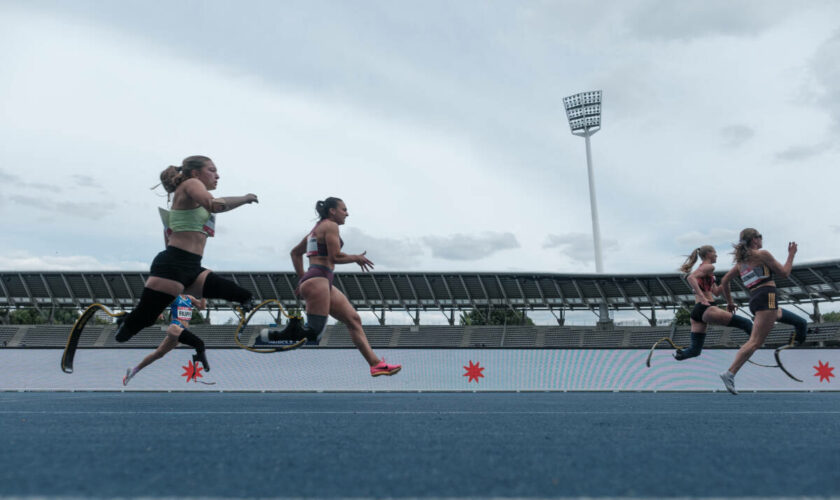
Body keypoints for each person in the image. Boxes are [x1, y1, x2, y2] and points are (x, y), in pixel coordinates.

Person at [114, 155, 259, 373]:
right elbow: (214, 204)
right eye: (212, 170)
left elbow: (171, 231)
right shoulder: (191, 185)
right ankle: (127, 320)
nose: (217, 175)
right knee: (133, 329)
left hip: (192, 267)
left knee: (243, 295)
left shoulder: (190, 195)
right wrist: (246, 198)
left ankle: (134, 317)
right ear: (195, 173)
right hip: (174, 264)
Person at [264, 197, 401, 377]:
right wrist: (356, 258)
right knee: (313, 333)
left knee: (353, 319)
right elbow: (335, 257)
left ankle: (375, 364)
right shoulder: (330, 226)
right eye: (344, 209)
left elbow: (295, 253)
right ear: (332, 211)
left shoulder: (316, 230)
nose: (347, 213)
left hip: (320, 280)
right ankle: (269, 336)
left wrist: (303, 278)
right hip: (319, 279)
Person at [718, 228, 808, 395]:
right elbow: (785, 273)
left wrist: (730, 302)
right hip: (767, 297)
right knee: (755, 342)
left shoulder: (740, 263)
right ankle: (730, 373)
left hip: (756, 300)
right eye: (760, 237)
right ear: (754, 240)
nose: (761, 240)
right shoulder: (762, 254)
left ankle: (796, 341)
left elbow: (724, 281)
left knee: (800, 322)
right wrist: (792, 254)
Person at [675, 245, 753, 360]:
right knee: (747, 324)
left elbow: (716, 292)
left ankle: (679, 355)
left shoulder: (709, 273)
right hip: (707, 308)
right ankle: (756, 343)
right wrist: (702, 297)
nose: (717, 255)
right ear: (708, 254)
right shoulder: (709, 267)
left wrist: (727, 280)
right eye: (715, 253)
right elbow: (690, 278)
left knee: (695, 350)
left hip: (697, 312)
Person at [123, 294, 206, 385]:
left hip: (182, 331)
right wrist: (158, 312)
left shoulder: (190, 298)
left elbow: (202, 307)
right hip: (176, 327)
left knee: (158, 354)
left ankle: (134, 370)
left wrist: (204, 294)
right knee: (197, 343)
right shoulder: (175, 296)